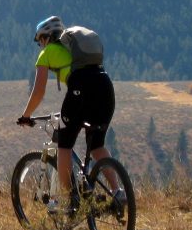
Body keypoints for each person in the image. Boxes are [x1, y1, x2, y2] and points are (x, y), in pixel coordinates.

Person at [18, 15, 120, 215]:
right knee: (97, 146)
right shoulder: (74, 50)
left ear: (46, 38)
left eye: (40, 41)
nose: (40, 46)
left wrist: (26, 115)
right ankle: (118, 191)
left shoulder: (47, 53)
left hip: (81, 90)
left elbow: (38, 91)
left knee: (64, 145)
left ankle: (70, 200)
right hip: (105, 87)